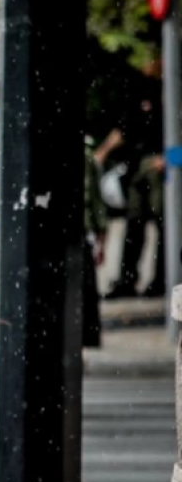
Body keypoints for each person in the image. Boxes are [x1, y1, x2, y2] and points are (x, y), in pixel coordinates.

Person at [96, 59, 166, 299]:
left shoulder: (170, 91)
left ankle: (162, 281)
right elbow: (125, 128)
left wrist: (172, 158)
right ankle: (127, 280)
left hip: (161, 165)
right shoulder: (140, 90)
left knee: (163, 224)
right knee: (134, 224)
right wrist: (103, 152)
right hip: (136, 164)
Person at [84, 140, 108, 348]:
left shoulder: (86, 157)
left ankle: (87, 337)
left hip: (81, 233)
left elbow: (94, 200)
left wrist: (101, 240)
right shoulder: (87, 157)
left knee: (85, 289)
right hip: (81, 232)